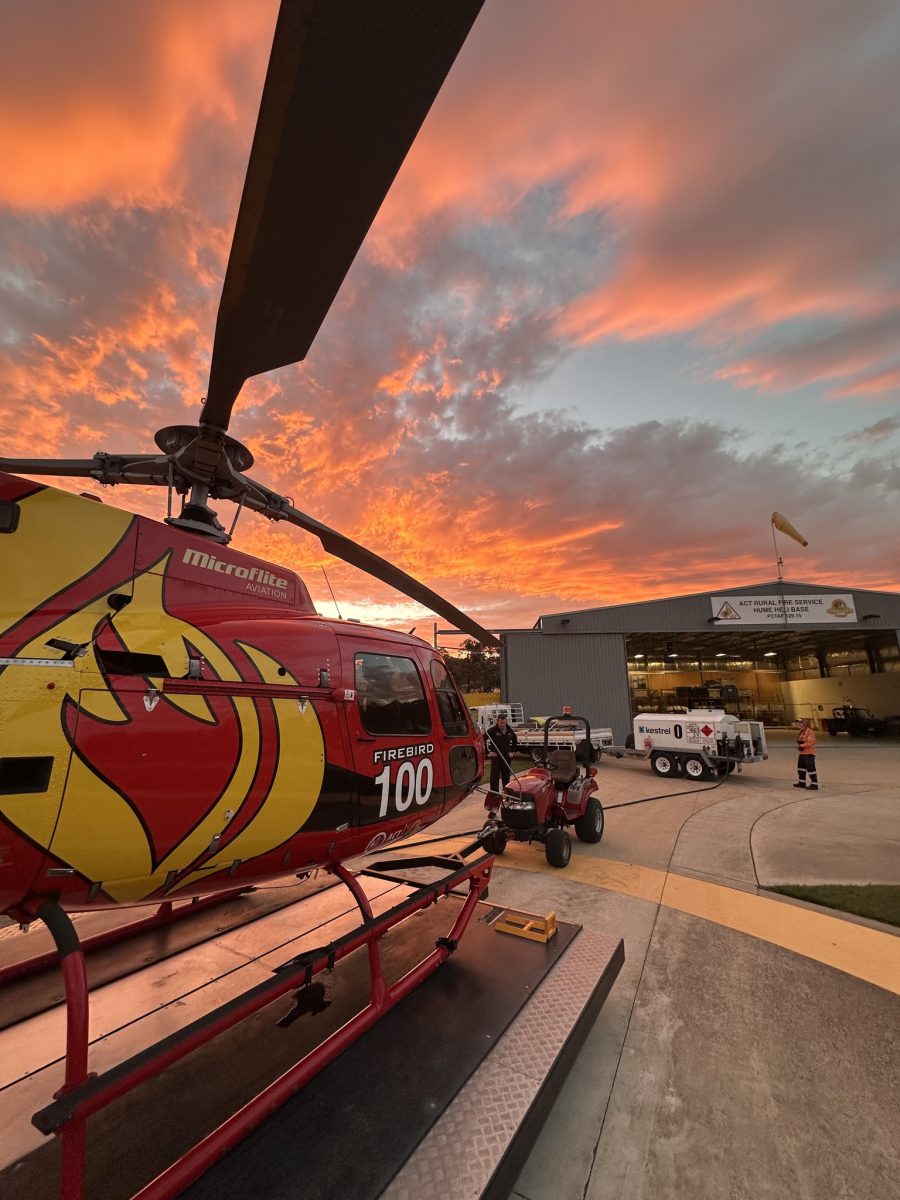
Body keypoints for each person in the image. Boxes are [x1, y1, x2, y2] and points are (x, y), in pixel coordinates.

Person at [485, 713, 518, 797]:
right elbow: (482, 739)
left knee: (506, 777)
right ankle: (494, 796)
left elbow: (515, 740)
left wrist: (512, 751)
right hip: (496, 758)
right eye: (501, 723)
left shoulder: (509, 730)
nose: (503, 725)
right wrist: (487, 753)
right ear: (497, 722)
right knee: (494, 778)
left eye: (504, 723)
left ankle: (506, 795)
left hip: (506, 758)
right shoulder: (492, 730)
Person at [794, 718, 819, 789]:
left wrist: (801, 745)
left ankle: (814, 784)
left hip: (809, 753)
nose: (798, 724)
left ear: (804, 724)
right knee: (801, 768)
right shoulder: (802, 731)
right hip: (802, 753)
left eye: (800, 723)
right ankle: (802, 783)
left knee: (811, 769)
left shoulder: (810, 732)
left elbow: (811, 742)